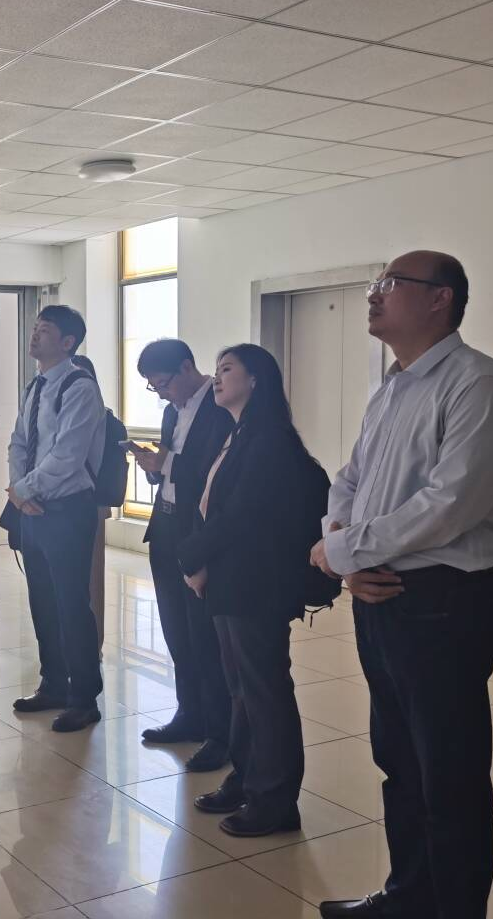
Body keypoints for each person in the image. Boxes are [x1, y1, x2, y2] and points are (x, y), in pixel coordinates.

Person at [311, 252, 493, 919]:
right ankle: (408, 897)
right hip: (381, 594)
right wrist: (346, 547)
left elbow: (449, 506)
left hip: (443, 604)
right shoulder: (392, 388)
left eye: (390, 285)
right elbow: (351, 479)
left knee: (449, 775)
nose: (373, 296)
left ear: (441, 299)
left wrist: (343, 551)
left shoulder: (479, 385)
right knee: (399, 761)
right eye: (375, 285)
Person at [178, 344, 330, 838]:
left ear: (256, 380)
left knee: (264, 691)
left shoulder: (268, 441)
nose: (217, 378)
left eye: (227, 369)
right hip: (234, 580)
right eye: (217, 369)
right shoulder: (239, 433)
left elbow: (240, 515)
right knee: (241, 688)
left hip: (254, 584)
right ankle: (246, 779)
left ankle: (275, 800)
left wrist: (191, 556)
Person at [130, 339, 234, 772]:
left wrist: (165, 465)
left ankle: (220, 733)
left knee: (205, 637)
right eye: (154, 387)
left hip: (199, 531)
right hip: (167, 526)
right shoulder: (173, 411)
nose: (162, 393)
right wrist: (154, 469)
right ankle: (189, 714)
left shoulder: (220, 406)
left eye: (164, 383)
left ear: (188, 367)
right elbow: (171, 468)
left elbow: (213, 470)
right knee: (176, 631)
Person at [7, 305, 106, 733]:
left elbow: (68, 455)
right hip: (33, 510)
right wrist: (19, 490)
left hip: (67, 510)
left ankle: (84, 698)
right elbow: (18, 442)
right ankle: (53, 685)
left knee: (71, 605)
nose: (35, 335)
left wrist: (25, 490)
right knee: (43, 601)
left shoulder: (80, 388)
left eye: (44, 330)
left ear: (67, 342)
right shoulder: (35, 386)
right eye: (35, 328)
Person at [71, 354, 112, 653]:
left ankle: (92, 645)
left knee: (91, 578)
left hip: (91, 505)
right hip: (58, 508)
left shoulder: (103, 417)